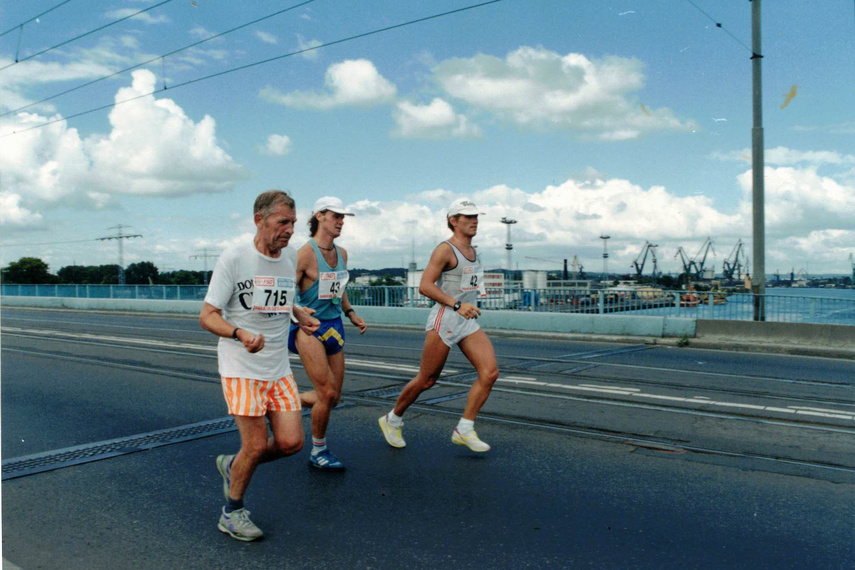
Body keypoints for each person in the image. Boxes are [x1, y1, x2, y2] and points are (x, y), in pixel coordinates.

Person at [200, 190, 320, 542]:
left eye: (293, 223)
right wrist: (239, 332)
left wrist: (298, 313)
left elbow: (282, 297)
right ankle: (232, 512)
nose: (289, 230)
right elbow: (208, 316)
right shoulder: (235, 257)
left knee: (291, 443)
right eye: (282, 222)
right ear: (259, 220)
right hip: (241, 368)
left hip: (278, 368)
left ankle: (233, 465)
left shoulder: (288, 259)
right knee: (254, 445)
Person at [378, 198, 499, 453]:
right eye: (467, 217)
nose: (474, 220)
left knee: (489, 373)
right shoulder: (445, 249)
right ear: (453, 221)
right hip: (445, 318)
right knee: (427, 379)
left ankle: (464, 429)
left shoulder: (476, 251)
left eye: (476, 216)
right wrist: (457, 304)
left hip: (466, 321)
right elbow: (425, 285)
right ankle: (393, 419)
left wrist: (472, 299)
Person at [289, 196, 367, 471]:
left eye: (343, 218)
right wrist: (298, 314)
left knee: (334, 397)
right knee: (326, 392)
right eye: (336, 216)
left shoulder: (342, 253)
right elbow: (286, 295)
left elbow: (340, 287)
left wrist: (351, 312)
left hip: (334, 325)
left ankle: (289, 400)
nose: (341, 222)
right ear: (320, 216)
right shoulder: (304, 254)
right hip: (308, 328)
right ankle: (318, 451)